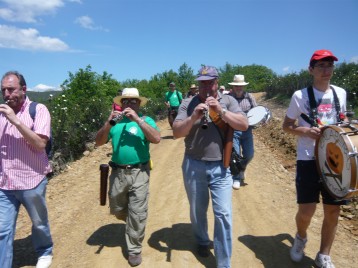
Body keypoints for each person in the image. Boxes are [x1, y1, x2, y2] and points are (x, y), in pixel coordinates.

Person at [172, 66, 248, 268]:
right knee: (197, 210)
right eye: (202, 82)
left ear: (217, 82)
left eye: (210, 82)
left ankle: (224, 263)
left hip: (220, 167)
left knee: (223, 214)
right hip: (193, 164)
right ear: (198, 84)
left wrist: (221, 111)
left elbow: (243, 124)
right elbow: (177, 132)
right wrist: (193, 117)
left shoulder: (229, 101)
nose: (206, 86)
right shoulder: (188, 103)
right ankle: (202, 240)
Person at [282, 49, 348, 268]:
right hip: (308, 159)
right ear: (311, 69)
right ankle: (301, 237)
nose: (326, 70)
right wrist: (305, 132)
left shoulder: (340, 93)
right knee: (306, 211)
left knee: (333, 210)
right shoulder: (299, 96)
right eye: (321, 66)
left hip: (335, 160)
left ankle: (323, 254)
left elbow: (343, 120)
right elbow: (287, 126)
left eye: (329, 65)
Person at [95, 87, 160, 267]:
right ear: (120, 104)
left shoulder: (146, 120)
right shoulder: (115, 123)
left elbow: (156, 139)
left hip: (140, 172)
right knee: (116, 208)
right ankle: (132, 222)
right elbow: (98, 141)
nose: (129, 104)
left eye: (133, 101)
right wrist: (109, 123)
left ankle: (134, 249)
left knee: (137, 212)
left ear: (139, 104)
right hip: (118, 173)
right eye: (125, 101)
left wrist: (138, 120)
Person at [0, 71, 53, 268]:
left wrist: (15, 121)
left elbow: (40, 144)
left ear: (23, 89)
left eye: (11, 89)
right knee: (2, 230)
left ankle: (45, 250)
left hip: (32, 180)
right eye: (3, 90)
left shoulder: (38, 110)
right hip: (5, 183)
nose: (7, 94)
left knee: (39, 222)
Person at [228, 75, 257, 190]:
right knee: (235, 156)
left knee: (249, 155)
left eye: (240, 86)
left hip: (247, 130)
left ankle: (242, 168)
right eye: (236, 86)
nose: (238, 88)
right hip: (233, 131)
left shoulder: (250, 97)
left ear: (243, 86)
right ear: (233, 87)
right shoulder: (228, 98)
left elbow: (256, 111)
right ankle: (236, 178)